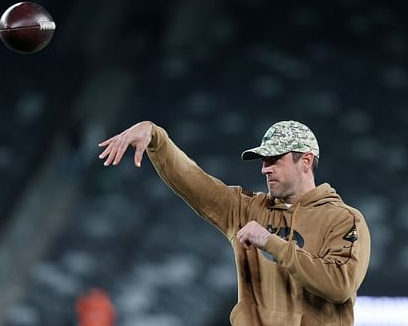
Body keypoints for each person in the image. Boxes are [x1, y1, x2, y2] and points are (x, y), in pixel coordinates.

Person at [98, 120, 371, 326]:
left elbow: (340, 286)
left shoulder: (343, 218)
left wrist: (270, 242)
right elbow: (195, 182)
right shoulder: (247, 209)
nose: (265, 168)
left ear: (306, 161)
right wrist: (157, 138)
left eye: (275, 159)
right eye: (264, 161)